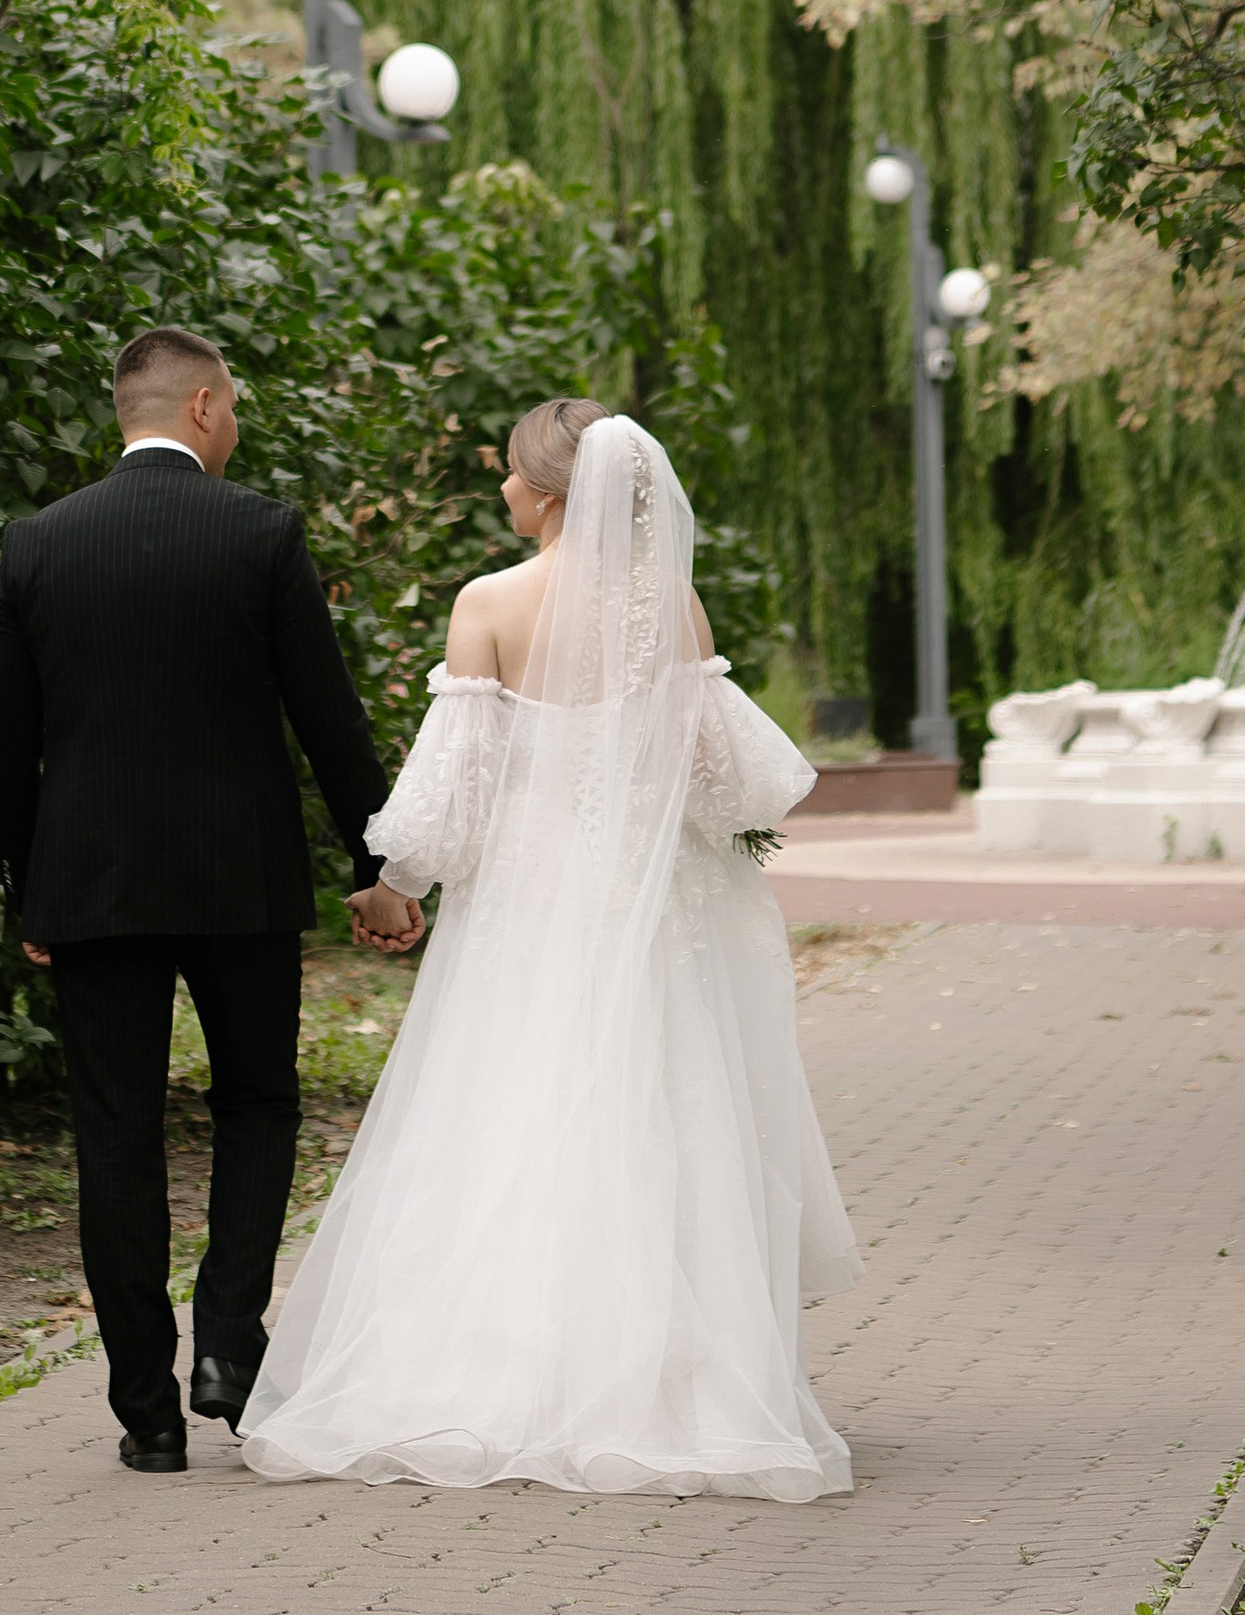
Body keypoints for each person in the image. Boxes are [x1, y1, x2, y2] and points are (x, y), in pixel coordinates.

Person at [237, 398, 858, 1502]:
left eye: (511, 477)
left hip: (524, 907)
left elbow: (451, 781)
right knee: (659, 1116)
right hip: (651, 905)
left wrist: (392, 887)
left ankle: (487, 1374)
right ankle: (668, 1384)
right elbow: (724, 784)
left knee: (504, 1110)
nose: (501, 492)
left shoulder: (489, 602)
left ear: (549, 493)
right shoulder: (671, 603)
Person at [0, 326, 422, 1473]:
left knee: (114, 1133)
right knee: (258, 1104)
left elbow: (4, 746)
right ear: (208, 404)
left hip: (90, 885)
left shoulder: (38, 542)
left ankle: (146, 1411)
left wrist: (30, 888)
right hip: (241, 879)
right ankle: (228, 1342)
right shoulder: (260, 531)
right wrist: (377, 864)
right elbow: (328, 716)